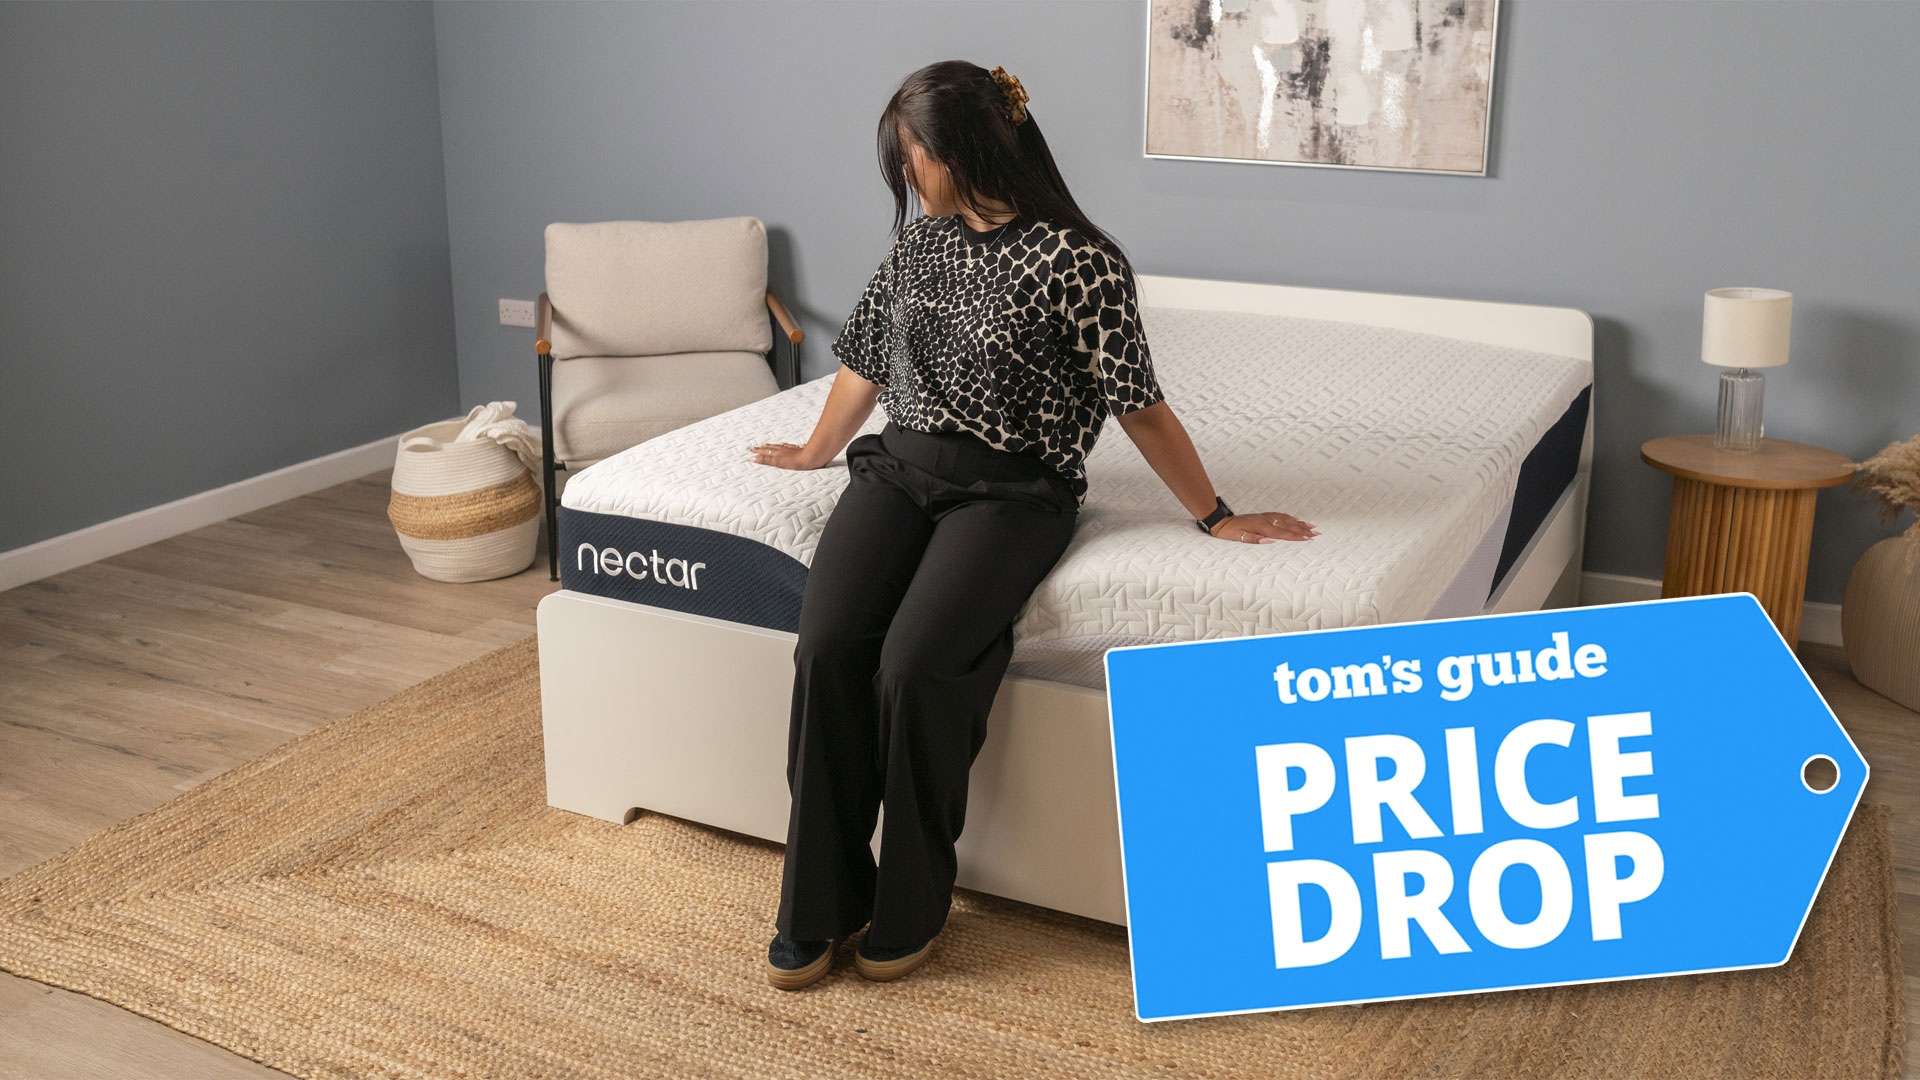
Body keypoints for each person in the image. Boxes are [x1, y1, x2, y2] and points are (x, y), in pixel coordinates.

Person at [747, 60, 1318, 990]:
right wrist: (817, 451)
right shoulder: (919, 244)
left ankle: (913, 898)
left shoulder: (1079, 260)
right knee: (827, 646)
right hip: (900, 470)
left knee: (916, 665)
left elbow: (1139, 406)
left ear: (960, 148)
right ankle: (819, 903)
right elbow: (865, 361)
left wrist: (1212, 514)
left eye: (913, 155)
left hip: (1014, 490)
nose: (907, 173)